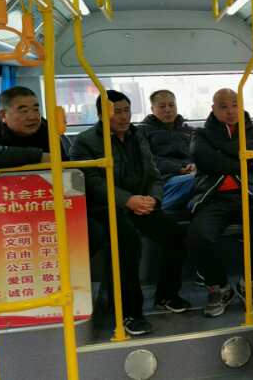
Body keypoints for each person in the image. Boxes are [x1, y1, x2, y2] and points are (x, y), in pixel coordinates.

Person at [70, 90, 191, 336]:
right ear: (101, 114)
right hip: (104, 207)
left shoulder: (138, 136)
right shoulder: (85, 141)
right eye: (116, 112)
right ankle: (129, 312)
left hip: (140, 203)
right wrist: (127, 200)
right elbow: (92, 183)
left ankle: (166, 295)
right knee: (128, 241)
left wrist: (153, 198)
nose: (124, 117)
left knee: (176, 235)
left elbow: (153, 173)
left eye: (126, 110)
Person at [188, 88, 253, 318]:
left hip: (251, 195)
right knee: (197, 235)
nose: (230, 111)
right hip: (215, 197)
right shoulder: (201, 134)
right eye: (223, 106)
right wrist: (245, 158)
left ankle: (251, 281)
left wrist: (223, 154)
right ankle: (219, 286)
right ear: (213, 109)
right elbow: (208, 161)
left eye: (235, 105)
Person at [0, 86, 68, 169]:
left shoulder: (46, 128)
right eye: (24, 111)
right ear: (3, 115)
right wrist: (38, 156)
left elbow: (64, 163)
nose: (32, 117)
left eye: (36, 109)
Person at [140, 89, 197, 211]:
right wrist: (179, 168)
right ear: (152, 109)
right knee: (198, 180)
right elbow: (147, 159)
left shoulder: (189, 131)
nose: (168, 110)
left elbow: (200, 153)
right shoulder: (142, 132)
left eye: (171, 105)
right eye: (162, 106)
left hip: (192, 172)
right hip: (165, 179)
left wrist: (195, 165)